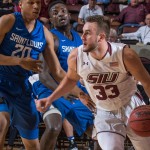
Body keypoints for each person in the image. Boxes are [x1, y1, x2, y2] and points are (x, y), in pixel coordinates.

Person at [36, 15, 150, 150]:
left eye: (87, 33)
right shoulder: (76, 57)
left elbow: (147, 82)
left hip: (131, 105)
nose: (82, 36)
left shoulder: (125, 55)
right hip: (105, 111)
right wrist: (50, 99)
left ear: (101, 37)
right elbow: (71, 79)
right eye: (83, 32)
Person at [0, 0, 67, 149]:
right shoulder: (8, 21)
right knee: (1, 123)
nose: (36, 6)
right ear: (21, 4)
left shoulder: (44, 33)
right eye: (31, 2)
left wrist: (80, 90)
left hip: (22, 87)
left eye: (38, 3)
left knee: (32, 144)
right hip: (1, 79)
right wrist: (19, 61)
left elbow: (57, 71)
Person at [33, 1, 95, 150]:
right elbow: (44, 75)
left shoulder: (79, 38)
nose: (60, 14)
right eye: (55, 13)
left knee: (98, 130)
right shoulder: (51, 38)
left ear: (69, 14)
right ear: (51, 20)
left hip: (73, 88)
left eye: (63, 11)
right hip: (49, 88)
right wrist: (64, 92)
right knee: (54, 127)